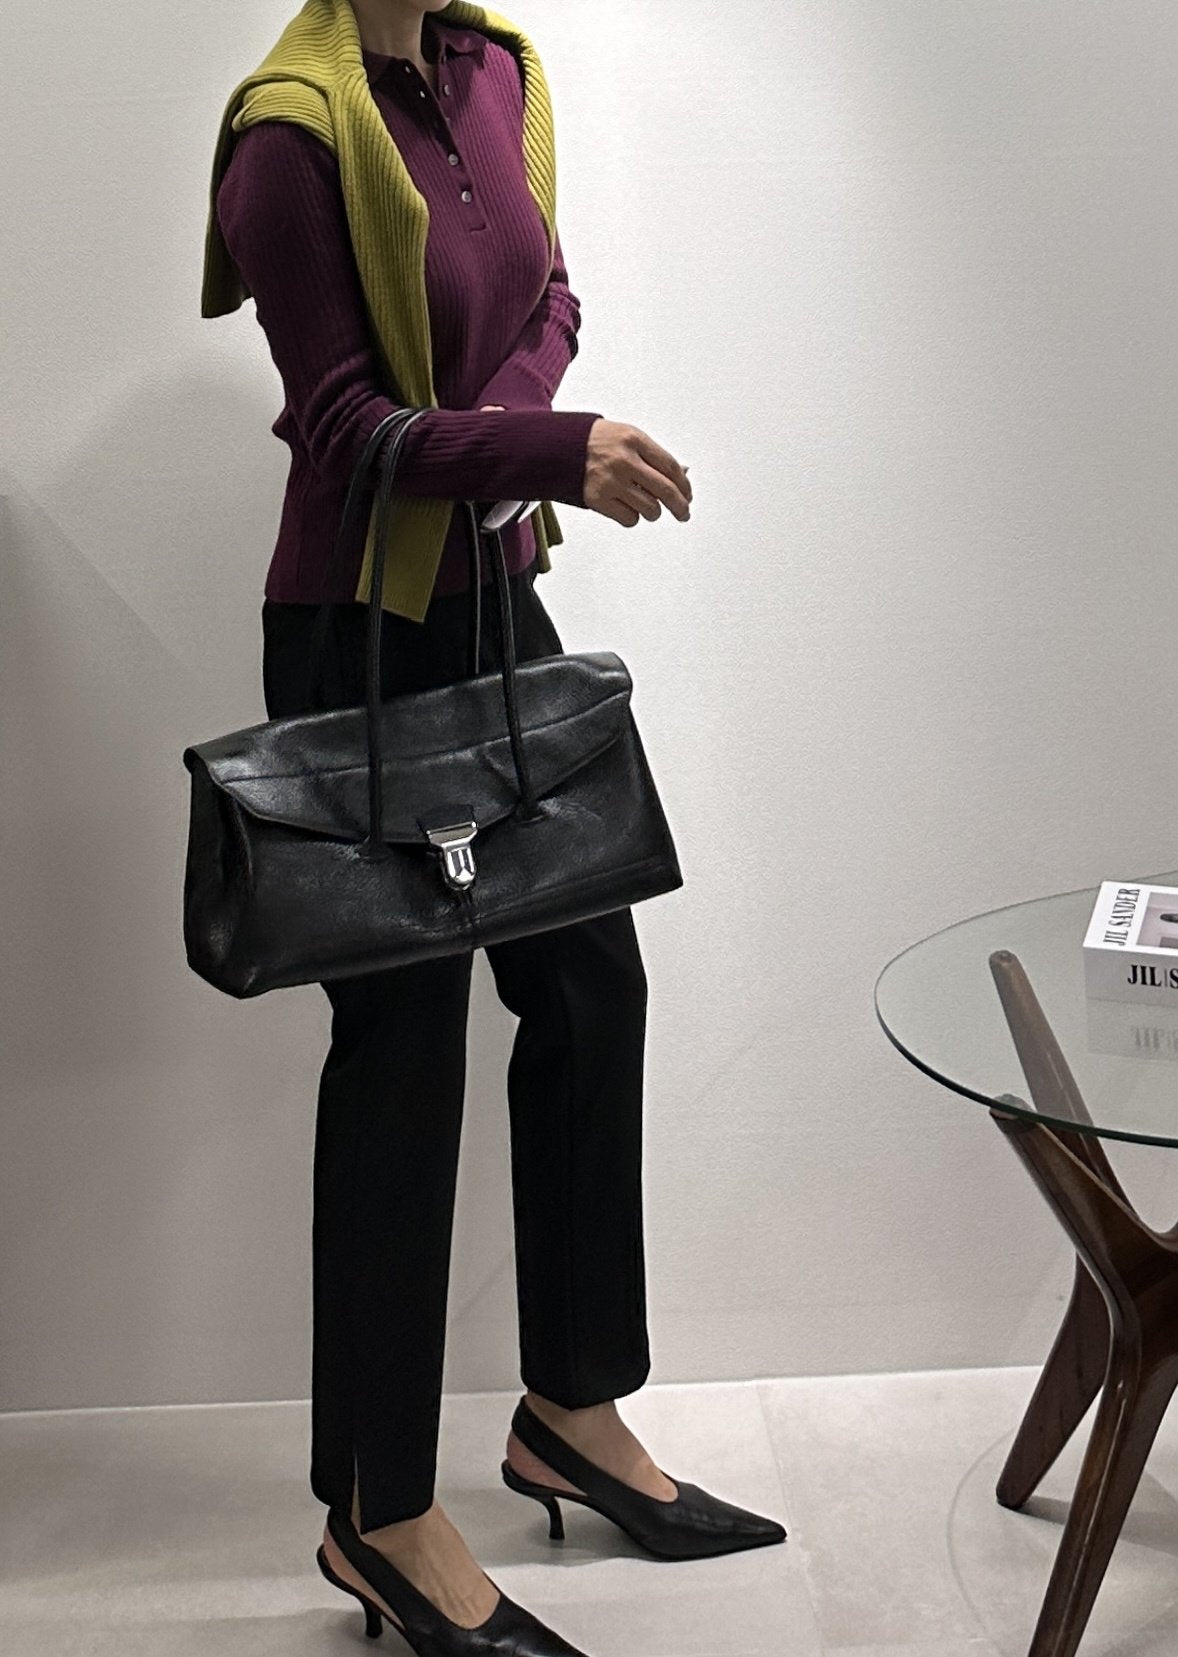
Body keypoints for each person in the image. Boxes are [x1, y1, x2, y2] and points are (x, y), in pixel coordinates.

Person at [204, 3, 785, 1652]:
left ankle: (571, 1410)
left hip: (489, 600)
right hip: (357, 636)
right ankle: (379, 1510)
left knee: (590, 985)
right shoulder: (288, 134)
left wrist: (522, 439)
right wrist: (543, 448)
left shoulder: (497, 71)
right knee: (401, 1058)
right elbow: (348, 432)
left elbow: (551, 298)